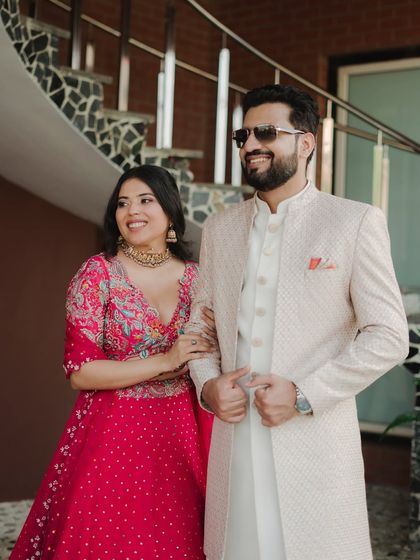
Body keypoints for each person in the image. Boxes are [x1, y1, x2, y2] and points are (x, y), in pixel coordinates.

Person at [188, 84, 409, 560]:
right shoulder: (220, 230)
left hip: (314, 448)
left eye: (266, 132)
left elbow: (389, 336)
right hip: (235, 446)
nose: (250, 145)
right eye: (243, 135)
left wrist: (305, 394)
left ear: (305, 142)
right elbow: (200, 330)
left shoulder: (352, 222)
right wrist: (207, 385)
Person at [11, 164, 215, 560]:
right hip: (114, 431)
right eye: (122, 203)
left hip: (183, 432)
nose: (131, 211)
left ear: (170, 211)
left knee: (183, 541)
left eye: (145, 200)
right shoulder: (98, 274)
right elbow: (81, 372)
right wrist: (165, 360)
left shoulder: (197, 278)